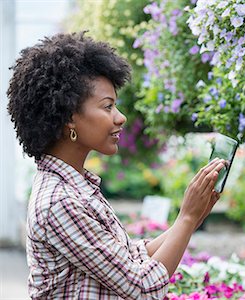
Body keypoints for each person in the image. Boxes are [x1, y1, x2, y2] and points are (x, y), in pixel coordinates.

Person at [7, 32, 226, 299]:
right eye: (107, 106)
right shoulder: (59, 202)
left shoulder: (77, 186)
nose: (120, 118)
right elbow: (142, 288)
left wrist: (192, 217)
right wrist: (187, 218)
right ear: (69, 118)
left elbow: (132, 256)